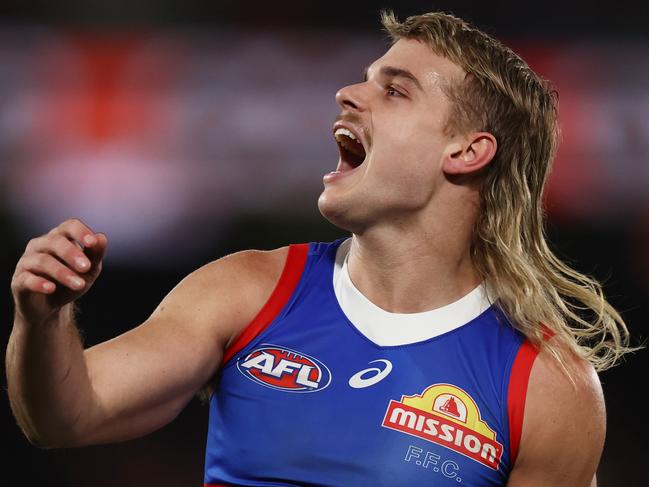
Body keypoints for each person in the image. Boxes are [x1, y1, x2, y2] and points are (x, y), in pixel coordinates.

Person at [6, 10, 634, 487]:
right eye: (366, 80)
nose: (347, 94)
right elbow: (65, 416)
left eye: (395, 90)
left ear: (467, 150)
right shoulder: (249, 290)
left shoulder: (548, 388)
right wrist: (44, 319)